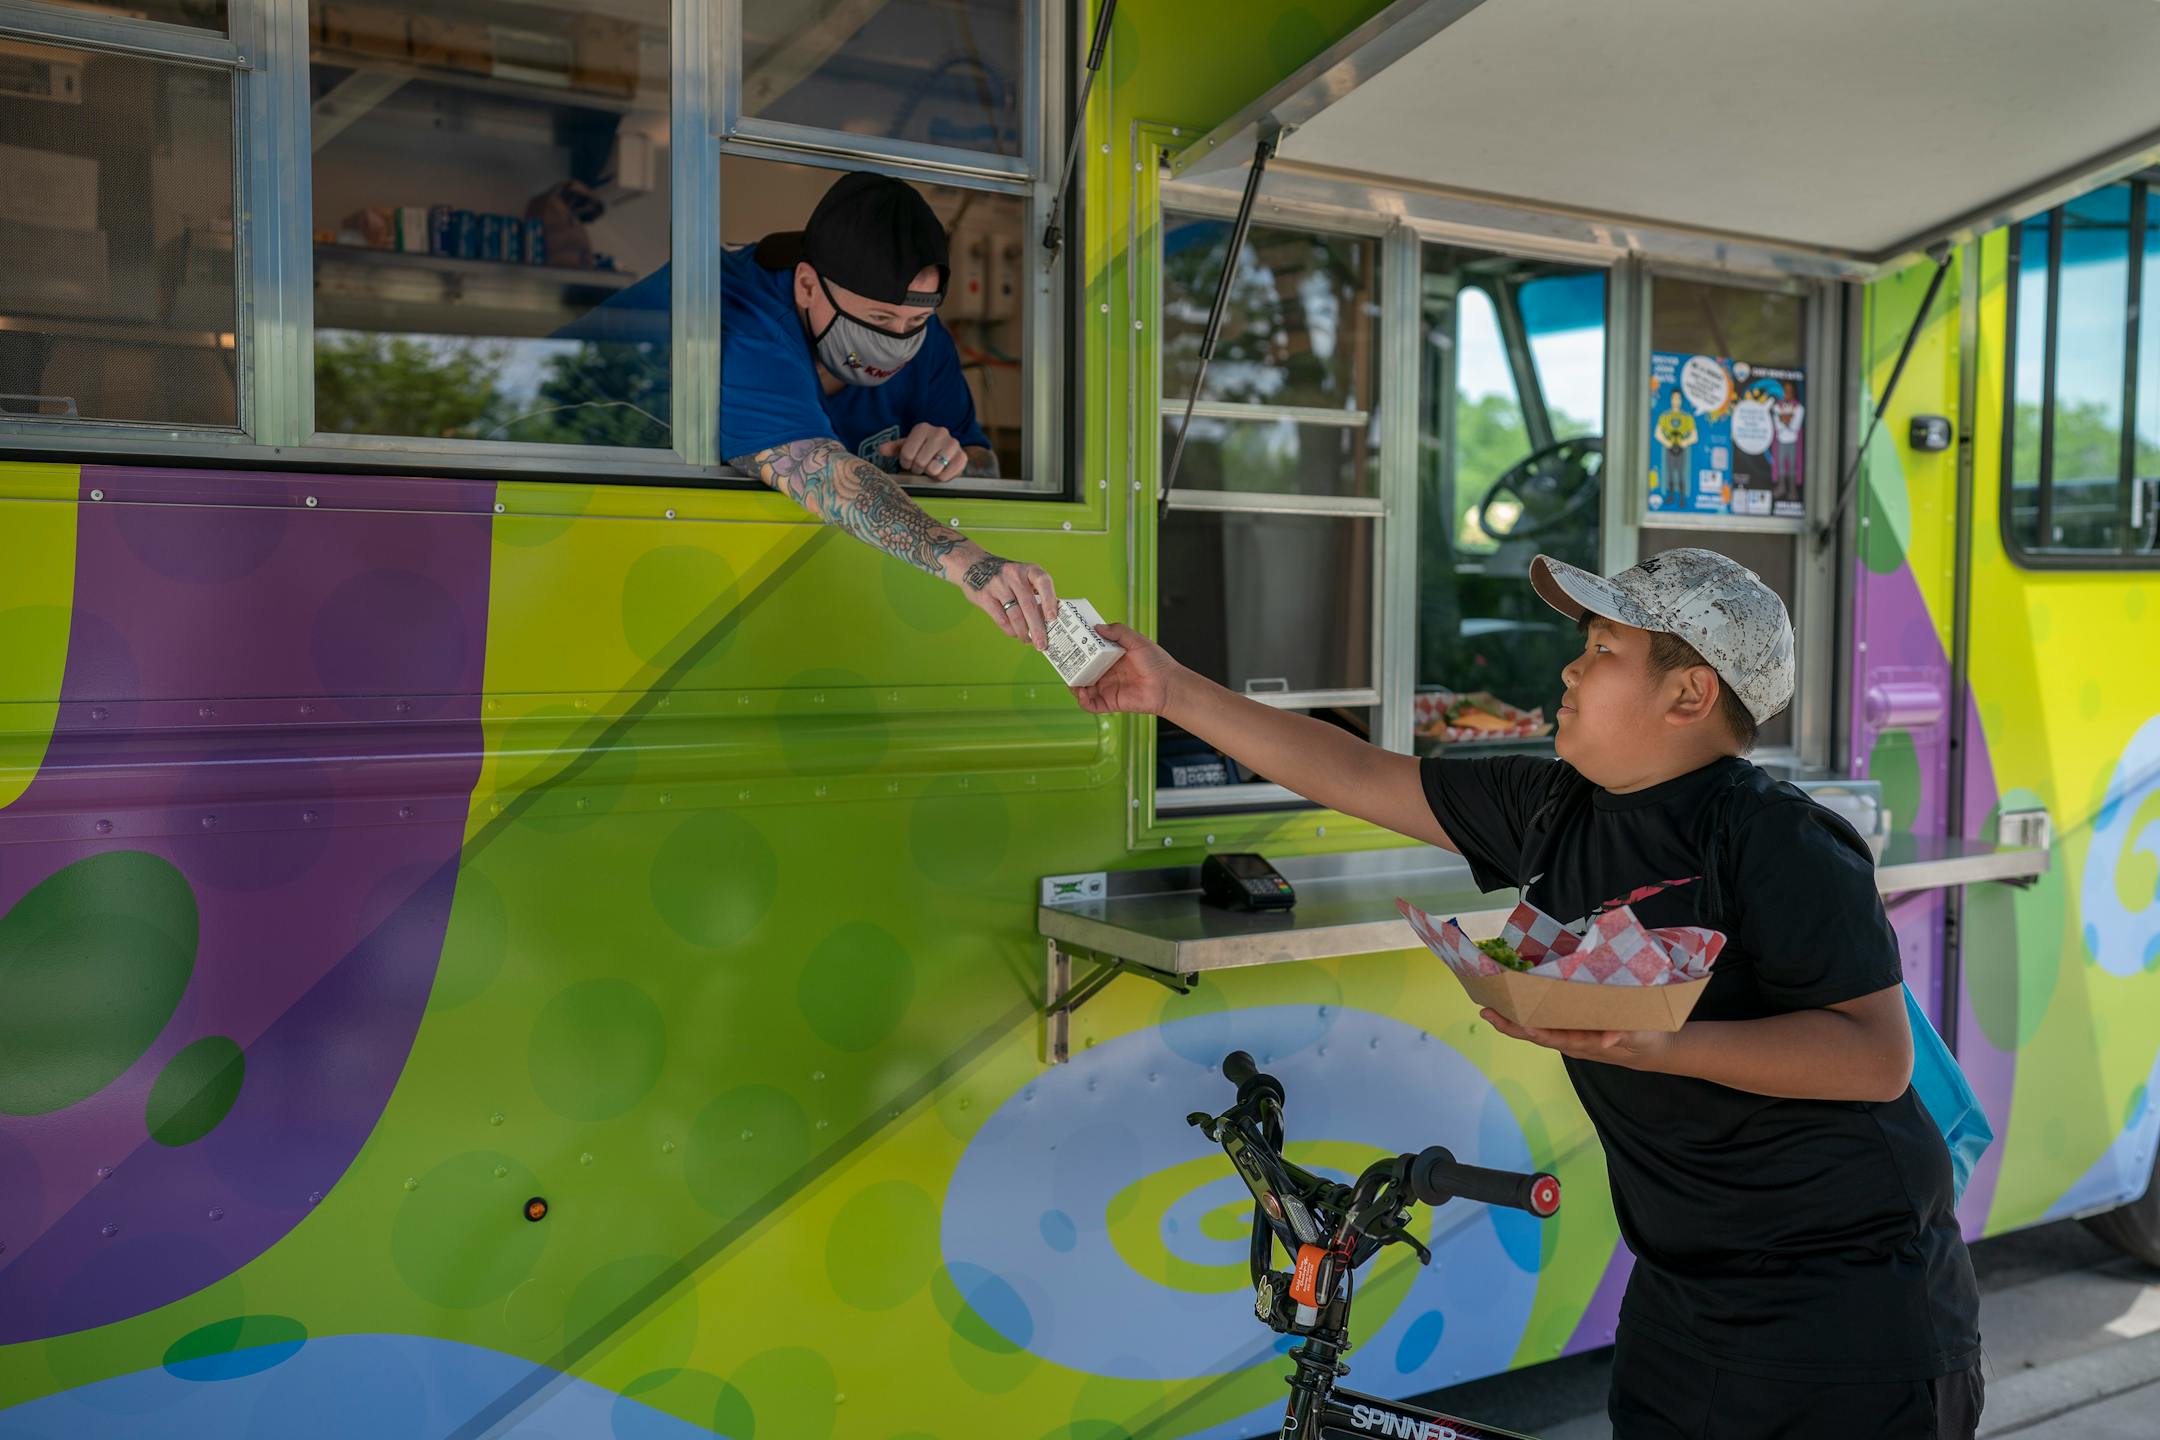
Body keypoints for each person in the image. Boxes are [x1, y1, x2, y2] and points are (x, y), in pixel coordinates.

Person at [1071, 548, 1984, 1440]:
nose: (1570, 669)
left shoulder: (1776, 838)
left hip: (1851, 1307)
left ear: (1689, 694)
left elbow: (1875, 1058)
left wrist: (1659, 1045)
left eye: (1603, 650)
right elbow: (1358, 774)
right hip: (1682, 1295)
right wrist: (1172, 690)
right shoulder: (1554, 807)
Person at [561, 170, 1058, 647]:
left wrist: (955, 460)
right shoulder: (734, 317)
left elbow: (984, 462)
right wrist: (974, 567)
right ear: (806, 285)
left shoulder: (922, 336)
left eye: (915, 322)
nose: (897, 342)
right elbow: (815, 471)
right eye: (880, 318)